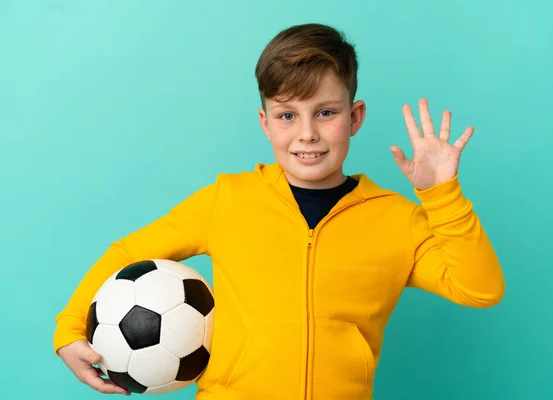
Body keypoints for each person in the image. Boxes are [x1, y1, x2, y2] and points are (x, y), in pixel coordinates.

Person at [54, 23, 505, 399]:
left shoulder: (396, 220)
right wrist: (70, 330)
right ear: (265, 122)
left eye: (325, 112)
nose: (307, 133)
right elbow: (127, 251)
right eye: (287, 116)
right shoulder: (228, 199)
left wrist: (441, 195)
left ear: (355, 117)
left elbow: (480, 289)